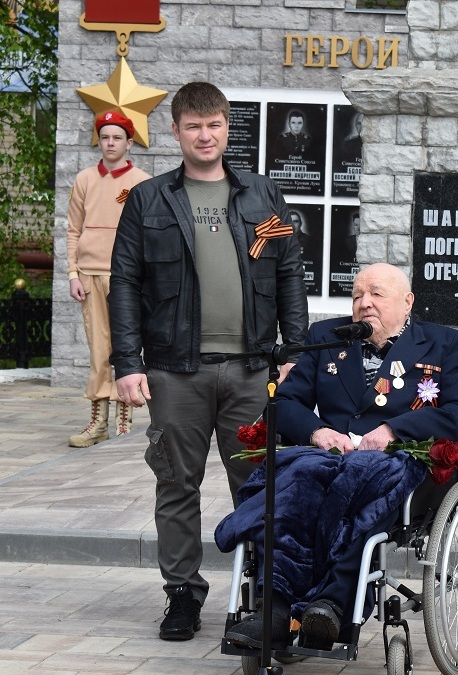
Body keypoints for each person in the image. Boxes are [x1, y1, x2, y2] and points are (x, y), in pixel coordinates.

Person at [108, 81, 309, 641]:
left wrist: (294, 352)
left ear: (227, 127)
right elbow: (124, 283)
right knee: (176, 485)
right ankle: (182, 595)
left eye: (214, 124)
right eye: (194, 126)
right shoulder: (149, 200)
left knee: (262, 486)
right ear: (175, 131)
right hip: (175, 371)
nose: (205, 135)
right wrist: (127, 363)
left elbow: (289, 272)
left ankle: (264, 594)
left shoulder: (262, 195)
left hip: (252, 370)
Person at [218, 263, 458, 650]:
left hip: (396, 460)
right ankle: (273, 608)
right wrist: (316, 431)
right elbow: (285, 403)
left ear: (407, 302)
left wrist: (395, 430)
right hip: (329, 457)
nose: (364, 302)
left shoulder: (443, 343)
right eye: (357, 295)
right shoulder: (326, 337)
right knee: (296, 482)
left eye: (376, 293)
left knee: (365, 478)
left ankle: (331, 603)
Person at [64, 110, 150, 447]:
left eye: (117, 137)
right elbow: (73, 230)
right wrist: (73, 273)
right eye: (104, 137)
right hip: (89, 275)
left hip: (126, 277)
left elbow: (148, 235)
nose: (110, 143)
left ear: (129, 143)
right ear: (98, 141)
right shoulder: (85, 179)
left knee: (124, 346)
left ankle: (123, 424)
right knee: (98, 350)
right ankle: (98, 423)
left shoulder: (142, 181)